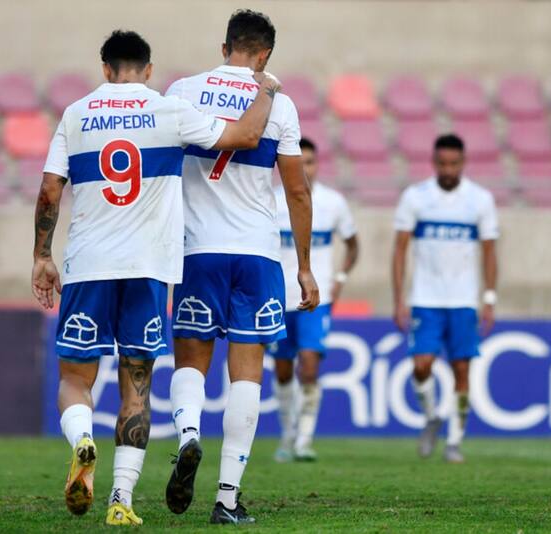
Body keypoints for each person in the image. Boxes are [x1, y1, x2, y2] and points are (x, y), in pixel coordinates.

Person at [31, 30, 282, 526]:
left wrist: (42, 255)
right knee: (137, 388)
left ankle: (82, 438)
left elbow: (49, 191)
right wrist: (267, 90)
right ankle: (121, 501)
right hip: (149, 268)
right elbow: (243, 137)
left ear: (104, 69)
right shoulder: (166, 109)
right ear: (148, 70)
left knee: (75, 380)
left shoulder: (76, 114)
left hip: (88, 265)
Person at [164, 10, 320, 525]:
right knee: (246, 373)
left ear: (224, 45)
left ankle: (188, 437)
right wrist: (304, 266)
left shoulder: (183, 90)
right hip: (255, 252)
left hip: (195, 250)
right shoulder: (280, 103)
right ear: (265, 54)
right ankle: (227, 498)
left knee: (190, 361)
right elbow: (296, 190)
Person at [392, 133, 499, 464]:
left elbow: (490, 252)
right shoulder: (416, 197)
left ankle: (454, 440)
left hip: (464, 300)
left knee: (461, 369)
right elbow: (399, 250)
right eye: (442, 163)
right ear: (434, 162)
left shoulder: (480, 200)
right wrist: (399, 298)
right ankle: (430, 417)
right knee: (421, 365)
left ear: (462, 163)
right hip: (425, 298)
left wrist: (489, 298)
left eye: (453, 163)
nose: (448, 169)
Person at [271, 137, 359, 463]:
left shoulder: (334, 203)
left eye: (310, 161)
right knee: (282, 372)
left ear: (317, 164)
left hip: (316, 301)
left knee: (309, 368)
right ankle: (287, 435)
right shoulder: (271, 200)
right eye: (299, 162)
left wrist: (339, 279)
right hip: (279, 300)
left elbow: (353, 245)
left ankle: (304, 440)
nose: (305, 168)